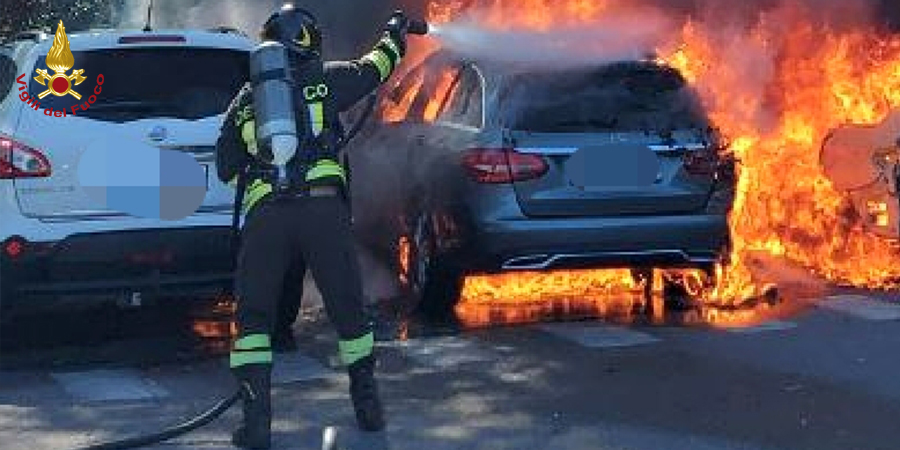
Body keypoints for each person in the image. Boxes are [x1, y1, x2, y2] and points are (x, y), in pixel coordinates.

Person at [215, 4, 410, 448]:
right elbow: (376, 67)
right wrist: (396, 31)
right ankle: (369, 411)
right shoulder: (328, 80)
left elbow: (226, 166)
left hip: (267, 218)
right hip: (323, 213)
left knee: (254, 320)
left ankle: (257, 425)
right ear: (307, 40)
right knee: (348, 311)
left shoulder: (246, 100)